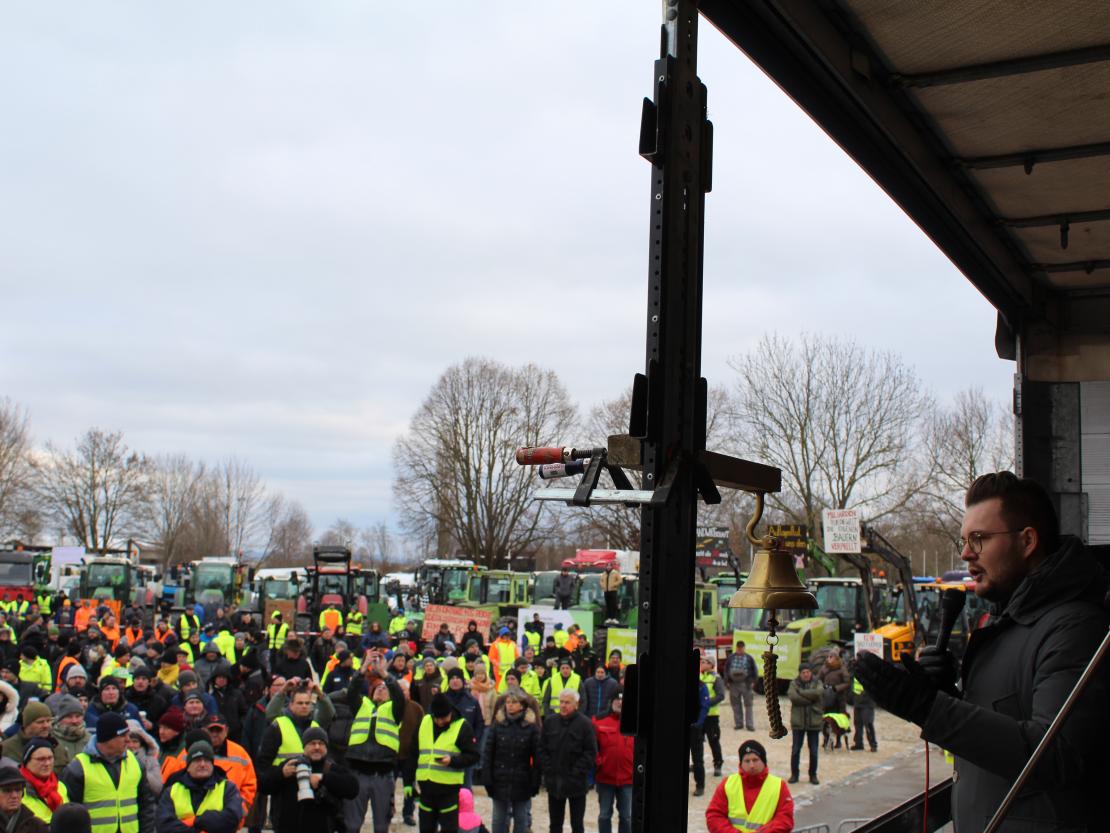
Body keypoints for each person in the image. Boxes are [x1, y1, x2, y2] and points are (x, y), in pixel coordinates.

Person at [854, 471, 1110, 831]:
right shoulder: (1000, 622)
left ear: (1027, 541)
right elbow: (1004, 725)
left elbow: (1056, 755)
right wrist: (946, 694)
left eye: (979, 539)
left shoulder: (1075, 627)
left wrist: (929, 709)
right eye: (964, 540)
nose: (965, 553)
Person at [61, 712, 156, 833]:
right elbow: (70, 814)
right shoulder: (78, 768)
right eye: (122, 735)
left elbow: (146, 805)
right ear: (107, 739)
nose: (128, 740)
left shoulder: (136, 763)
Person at [342, 661, 405, 833]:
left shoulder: (394, 709)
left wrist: (384, 674)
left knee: (381, 826)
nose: (381, 689)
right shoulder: (361, 705)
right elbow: (352, 690)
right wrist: (362, 670)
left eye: (385, 688)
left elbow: (399, 694)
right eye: (378, 687)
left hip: (382, 774)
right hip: (357, 771)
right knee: (352, 825)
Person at [259, 725, 357, 833]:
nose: (317, 747)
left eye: (321, 744)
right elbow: (263, 786)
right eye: (312, 743)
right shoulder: (290, 765)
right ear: (304, 746)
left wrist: (323, 778)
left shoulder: (331, 768)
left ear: (326, 747)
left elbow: (353, 788)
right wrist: (281, 774)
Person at [415, 693, 480, 833]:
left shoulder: (462, 726)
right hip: (426, 789)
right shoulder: (425, 721)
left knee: (449, 829)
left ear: (450, 712)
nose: (439, 722)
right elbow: (414, 751)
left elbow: (474, 755)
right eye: (436, 718)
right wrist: (409, 781)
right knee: (426, 828)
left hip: (448, 790)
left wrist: (452, 761)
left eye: (444, 718)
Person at [479, 689, 540, 833]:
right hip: (499, 779)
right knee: (498, 819)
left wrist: (535, 780)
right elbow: (488, 753)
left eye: (514, 702)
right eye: (507, 702)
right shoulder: (497, 725)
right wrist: (487, 778)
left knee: (521, 819)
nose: (510, 705)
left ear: (522, 705)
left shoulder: (531, 727)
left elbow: (538, 757)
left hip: (522, 781)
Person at [705, 739, 794, 833]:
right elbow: (714, 816)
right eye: (747, 761)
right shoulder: (728, 784)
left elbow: (785, 820)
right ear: (741, 763)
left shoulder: (779, 786)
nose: (751, 765)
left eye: (755, 760)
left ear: (764, 761)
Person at [155, 740, 242, 833]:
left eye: (207, 760)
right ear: (188, 767)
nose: (202, 764)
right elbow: (164, 825)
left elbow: (232, 819)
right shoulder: (172, 791)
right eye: (197, 760)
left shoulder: (228, 788)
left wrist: (195, 820)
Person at [540, 690, 596, 833]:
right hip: (555, 782)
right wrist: (548, 769)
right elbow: (541, 748)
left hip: (576, 784)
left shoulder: (585, 724)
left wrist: (576, 772)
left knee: (577, 825)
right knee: (555, 824)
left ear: (576, 704)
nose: (563, 706)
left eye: (567, 702)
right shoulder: (550, 722)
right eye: (561, 702)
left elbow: (590, 752)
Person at [593, 690, 631, 833]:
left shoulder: (636, 722)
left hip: (628, 779)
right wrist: (598, 762)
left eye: (623, 700)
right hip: (605, 778)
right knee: (604, 816)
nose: (620, 702)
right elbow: (592, 747)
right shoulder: (598, 721)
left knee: (627, 817)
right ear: (611, 702)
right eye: (617, 699)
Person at [786, 664, 822, 785]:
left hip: (814, 722)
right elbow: (793, 697)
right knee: (796, 750)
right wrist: (809, 700)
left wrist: (801, 692)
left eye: (808, 672)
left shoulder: (817, 682)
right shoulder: (793, 683)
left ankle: (813, 775)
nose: (806, 674)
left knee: (814, 751)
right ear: (800, 673)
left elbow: (818, 693)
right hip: (798, 722)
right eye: (803, 672)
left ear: (811, 673)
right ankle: (794, 774)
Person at [19, 739, 67, 824]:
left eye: (50, 758)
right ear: (27, 762)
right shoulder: (18, 789)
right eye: (41, 759)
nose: (47, 763)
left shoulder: (60, 786)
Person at [699, 655, 726, 777]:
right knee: (697, 742)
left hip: (711, 716)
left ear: (711, 664)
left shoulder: (716, 678)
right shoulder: (699, 676)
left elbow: (721, 695)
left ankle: (718, 764)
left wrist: (705, 703)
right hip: (700, 716)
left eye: (704, 662)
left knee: (713, 741)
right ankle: (698, 764)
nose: (702, 663)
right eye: (701, 662)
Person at [0, 764, 48, 833]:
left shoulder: (36, 826)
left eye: (18, 790)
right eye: (7, 790)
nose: (14, 795)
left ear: (22, 793)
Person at [724, 643, 756, 732]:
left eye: (741, 648)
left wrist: (753, 681)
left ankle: (750, 725)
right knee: (735, 704)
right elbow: (726, 669)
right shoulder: (731, 658)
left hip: (746, 683)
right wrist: (727, 682)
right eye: (738, 648)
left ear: (744, 648)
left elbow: (754, 669)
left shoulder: (749, 658)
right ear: (736, 648)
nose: (740, 650)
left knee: (748, 705)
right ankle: (739, 724)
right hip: (733, 684)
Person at [848, 673, 877, 752]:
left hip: (867, 702)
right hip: (857, 701)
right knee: (857, 724)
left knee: (868, 724)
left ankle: (873, 745)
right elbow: (852, 683)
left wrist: (863, 695)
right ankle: (858, 744)